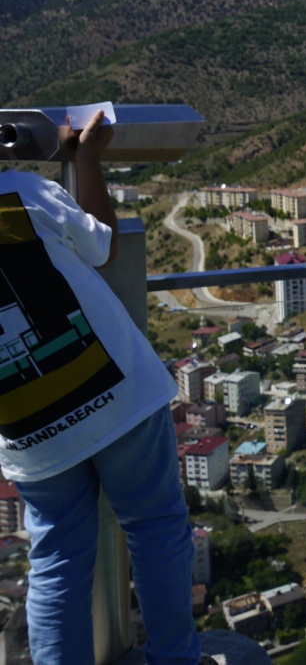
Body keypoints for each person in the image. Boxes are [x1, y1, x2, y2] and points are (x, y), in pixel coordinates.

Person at [0, 112, 205, 665]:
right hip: (115, 391)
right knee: (156, 523)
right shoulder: (23, 192)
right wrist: (85, 157)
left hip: (25, 423)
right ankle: (177, 658)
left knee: (58, 559)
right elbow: (104, 245)